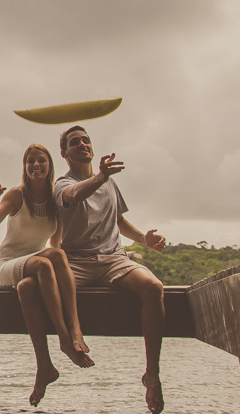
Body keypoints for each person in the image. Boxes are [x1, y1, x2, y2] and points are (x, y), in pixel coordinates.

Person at [53, 125, 167, 414]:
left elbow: (118, 220)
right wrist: (101, 176)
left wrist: (145, 239)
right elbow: (75, 195)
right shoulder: (62, 183)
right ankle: (65, 347)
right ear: (64, 153)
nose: (82, 145)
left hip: (113, 260)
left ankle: (152, 374)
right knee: (42, 288)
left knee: (153, 287)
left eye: (86, 140)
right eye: (74, 142)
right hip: (75, 263)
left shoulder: (110, 184)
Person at [0, 143, 94, 407]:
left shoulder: (56, 201)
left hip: (32, 266)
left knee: (48, 265)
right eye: (30, 161)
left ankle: (46, 365)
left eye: (41, 161)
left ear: (49, 166)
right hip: (6, 265)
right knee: (47, 263)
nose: (36, 165)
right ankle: (65, 338)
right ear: (25, 167)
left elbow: (55, 246)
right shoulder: (16, 195)